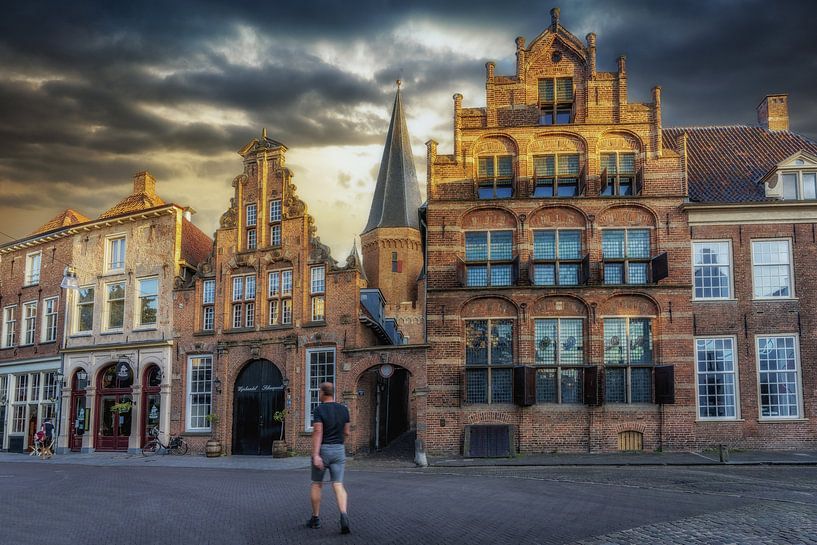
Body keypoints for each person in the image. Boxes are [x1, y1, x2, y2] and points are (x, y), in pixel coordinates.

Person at [308, 382, 351, 534]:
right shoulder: (344, 410)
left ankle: (315, 519)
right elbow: (347, 432)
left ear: (323, 393)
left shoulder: (319, 410)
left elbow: (318, 431)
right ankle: (343, 514)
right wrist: (340, 445)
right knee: (338, 484)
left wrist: (316, 454)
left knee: (317, 484)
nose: (318, 394)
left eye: (319, 391)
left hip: (323, 449)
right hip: (339, 450)